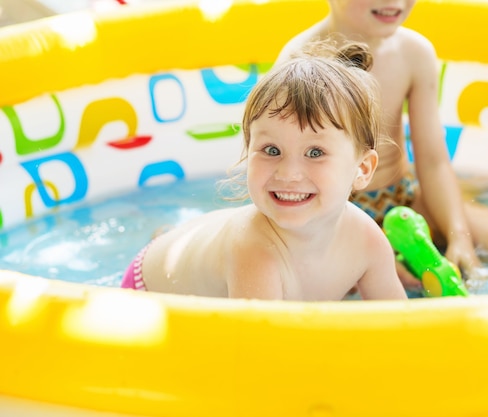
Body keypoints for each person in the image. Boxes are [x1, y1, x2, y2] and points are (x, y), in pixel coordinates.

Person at [276, 0, 488, 288]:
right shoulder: (299, 64)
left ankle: (462, 204)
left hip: (403, 199)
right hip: (330, 213)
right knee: (331, 283)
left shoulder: (413, 53)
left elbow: (433, 161)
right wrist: (366, 253)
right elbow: (291, 178)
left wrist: (459, 237)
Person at [121, 41, 408, 301]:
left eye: (315, 153)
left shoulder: (367, 240)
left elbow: (402, 329)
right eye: (271, 150)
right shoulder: (256, 253)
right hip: (146, 298)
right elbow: (263, 356)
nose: (289, 173)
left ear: (362, 168)